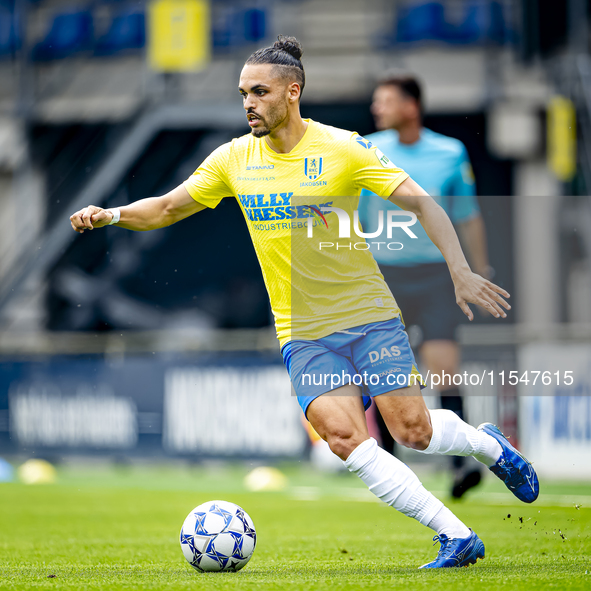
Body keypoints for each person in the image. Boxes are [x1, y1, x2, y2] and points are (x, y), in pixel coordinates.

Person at [70, 36, 538, 569]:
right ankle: (455, 536)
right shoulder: (233, 158)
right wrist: (111, 214)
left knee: (414, 432)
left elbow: (423, 204)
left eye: (259, 91)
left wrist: (459, 270)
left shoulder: (344, 147)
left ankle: (488, 445)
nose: (247, 102)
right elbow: (167, 208)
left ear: (292, 92)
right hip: (302, 330)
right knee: (344, 439)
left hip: (368, 316)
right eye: (243, 92)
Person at [358, 73, 490, 499]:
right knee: (384, 370)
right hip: (385, 276)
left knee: (444, 370)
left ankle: (460, 467)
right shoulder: (366, 149)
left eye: (386, 100)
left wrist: (476, 269)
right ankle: (391, 468)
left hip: (435, 275)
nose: (377, 108)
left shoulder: (451, 153)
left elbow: (467, 215)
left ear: (411, 106)